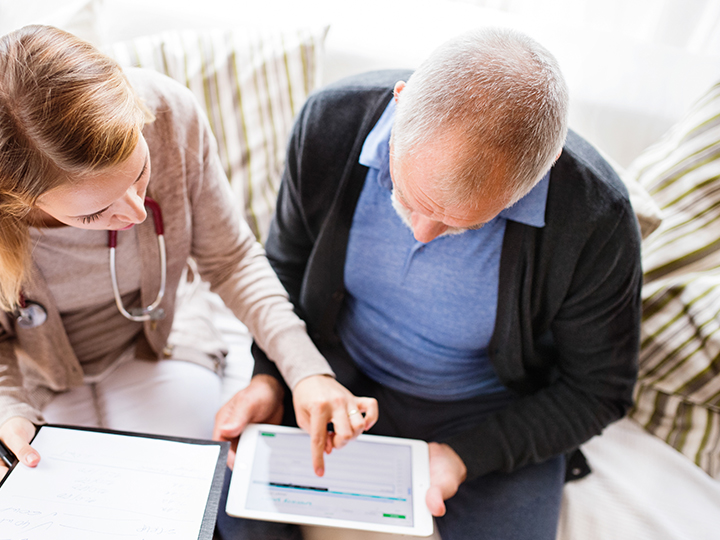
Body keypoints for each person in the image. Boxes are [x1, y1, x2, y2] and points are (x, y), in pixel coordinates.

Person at [0, 25, 378, 490]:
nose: (135, 212)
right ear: (15, 200)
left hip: (157, 339)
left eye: (140, 172)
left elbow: (230, 260)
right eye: (94, 212)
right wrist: (7, 415)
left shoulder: (170, 114)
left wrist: (306, 371)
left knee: (196, 487)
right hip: (29, 377)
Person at [214, 27, 641, 540]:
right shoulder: (329, 123)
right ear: (400, 104)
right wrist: (271, 376)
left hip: (487, 413)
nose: (421, 233)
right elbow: (282, 267)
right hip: (332, 375)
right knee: (225, 517)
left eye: (463, 223)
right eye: (407, 195)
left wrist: (465, 457)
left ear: (541, 171)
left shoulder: (597, 217)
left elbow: (599, 391)